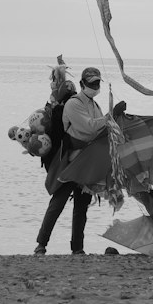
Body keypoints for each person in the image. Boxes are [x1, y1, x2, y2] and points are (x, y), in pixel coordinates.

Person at [34, 66, 109, 256]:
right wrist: (110, 118)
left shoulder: (94, 105)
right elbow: (90, 129)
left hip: (88, 163)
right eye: (92, 83)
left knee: (82, 207)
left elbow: (99, 131)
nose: (95, 86)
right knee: (57, 203)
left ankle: (78, 248)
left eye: (98, 82)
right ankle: (41, 244)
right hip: (71, 161)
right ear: (83, 84)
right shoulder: (74, 104)